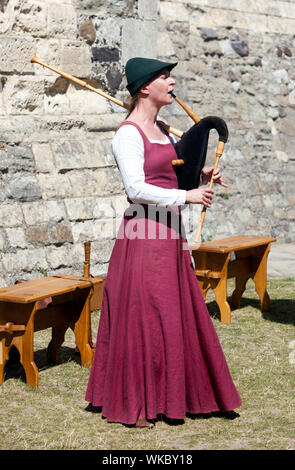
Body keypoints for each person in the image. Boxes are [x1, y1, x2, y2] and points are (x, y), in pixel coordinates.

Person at [85, 57, 242, 428]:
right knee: (147, 318)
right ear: (145, 88)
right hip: (142, 237)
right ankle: (138, 402)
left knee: (174, 315)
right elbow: (136, 188)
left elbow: (173, 172)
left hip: (170, 236)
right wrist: (186, 198)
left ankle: (179, 396)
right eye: (164, 77)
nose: (172, 83)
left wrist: (202, 174)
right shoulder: (128, 134)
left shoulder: (165, 131)